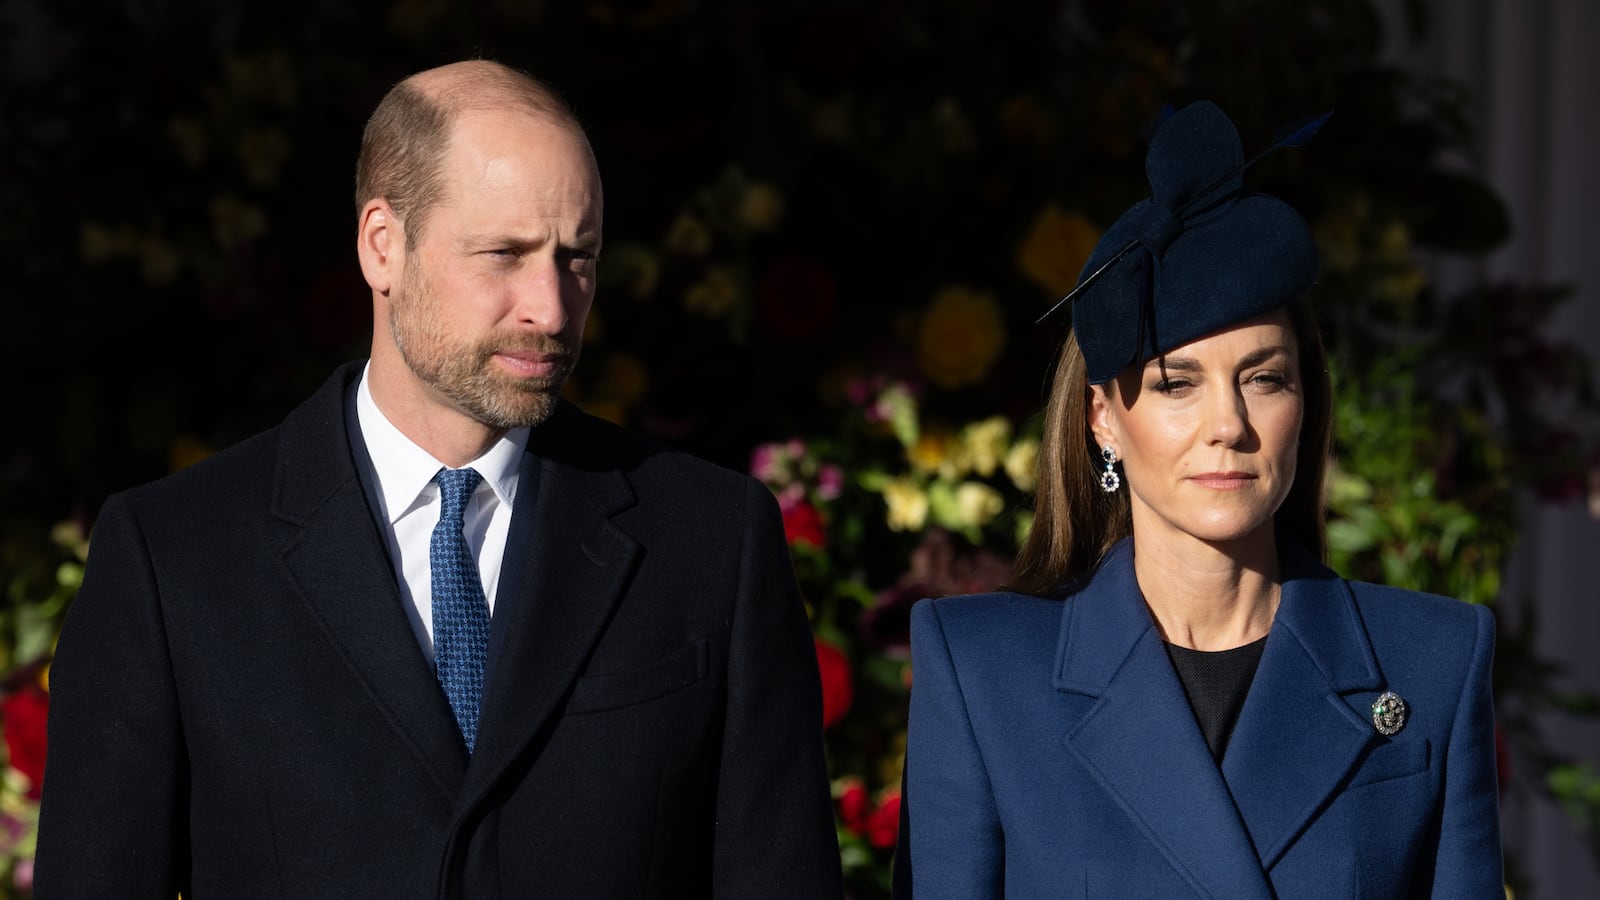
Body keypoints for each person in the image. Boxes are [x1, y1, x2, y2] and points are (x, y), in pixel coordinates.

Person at [35, 59, 843, 899]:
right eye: (504, 253)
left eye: (578, 258)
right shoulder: (174, 557)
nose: (552, 308)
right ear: (383, 245)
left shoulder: (713, 539)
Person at [894, 101, 1504, 898]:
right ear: (1104, 420)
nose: (1229, 424)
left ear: (1306, 405)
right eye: (1177, 383)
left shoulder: (1432, 660)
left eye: (1265, 378)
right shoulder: (984, 672)